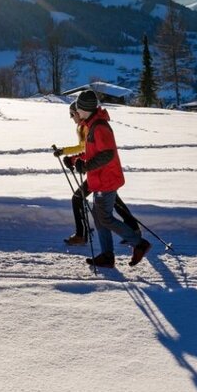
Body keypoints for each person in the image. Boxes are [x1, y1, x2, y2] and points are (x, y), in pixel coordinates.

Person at [62, 90, 151, 269]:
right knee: (99, 216)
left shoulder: (100, 127)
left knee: (105, 218)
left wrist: (85, 166)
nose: (76, 111)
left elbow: (107, 154)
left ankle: (139, 243)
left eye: (78, 108)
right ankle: (107, 256)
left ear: (84, 109)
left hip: (106, 180)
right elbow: (92, 152)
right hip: (99, 179)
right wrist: (74, 159)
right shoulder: (92, 125)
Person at [53, 102, 141, 248]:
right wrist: (72, 158)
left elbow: (92, 151)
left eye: (72, 114)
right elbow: (88, 150)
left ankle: (82, 235)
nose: (71, 118)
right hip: (101, 173)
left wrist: (68, 155)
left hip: (101, 173)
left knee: (77, 199)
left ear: (79, 112)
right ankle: (134, 230)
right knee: (114, 202)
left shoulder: (90, 127)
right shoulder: (86, 125)